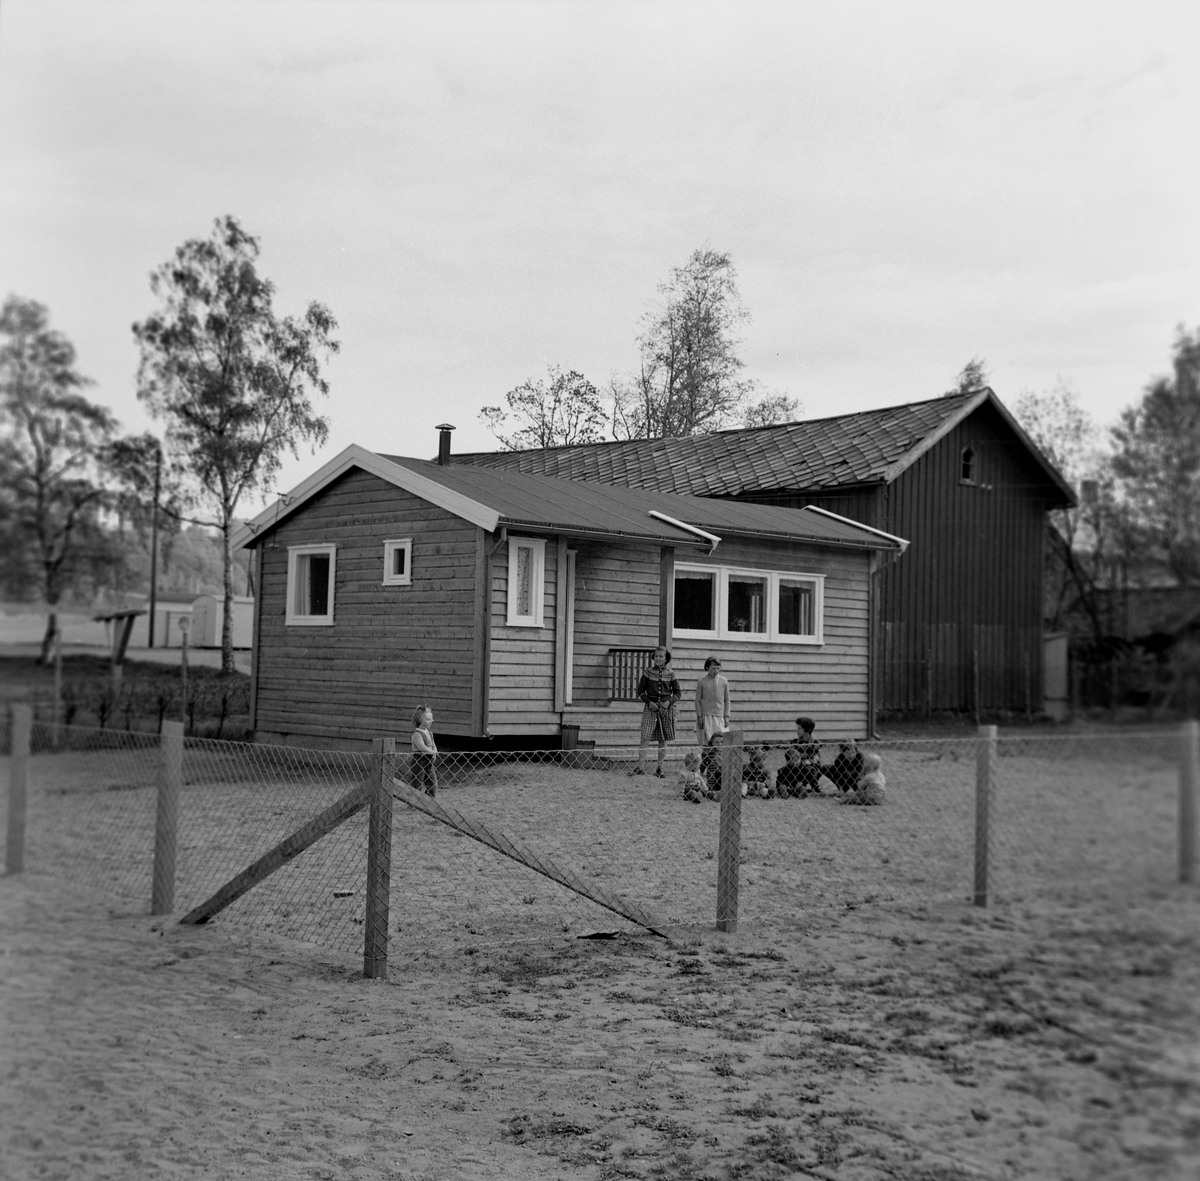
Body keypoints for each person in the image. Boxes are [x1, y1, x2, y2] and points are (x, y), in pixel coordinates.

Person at [630, 646, 681, 777]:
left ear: (666, 658)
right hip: (650, 708)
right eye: (656, 656)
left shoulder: (671, 674)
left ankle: (660, 768)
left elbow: (678, 693)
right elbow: (640, 691)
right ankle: (640, 767)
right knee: (645, 736)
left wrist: (668, 702)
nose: (658, 658)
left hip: (665, 709)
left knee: (663, 739)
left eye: (661, 656)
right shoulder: (648, 673)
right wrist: (649, 702)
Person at [695, 656, 730, 745]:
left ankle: (720, 759)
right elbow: (698, 701)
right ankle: (708, 758)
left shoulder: (724, 681)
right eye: (713, 668)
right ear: (707, 668)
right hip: (706, 717)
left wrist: (726, 716)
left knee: (721, 740)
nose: (716, 671)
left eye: (718, 668)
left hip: (720, 717)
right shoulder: (702, 682)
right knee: (708, 741)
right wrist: (699, 717)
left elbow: (727, 700)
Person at [790, 716, 823, 795]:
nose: (797, 730)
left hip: (811, 767)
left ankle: (814, 785)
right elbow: (792, 756)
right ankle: (798, 786)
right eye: (797, 728)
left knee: (810, 768)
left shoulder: (816, 743)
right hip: (798, 766)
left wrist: (804, 761)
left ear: (807, 730)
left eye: (799, 728)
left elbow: (815, 758)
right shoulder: (794, 742)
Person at [411, 704, 438, 797]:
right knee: (417, 783)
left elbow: (433, 746)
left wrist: (434, 753)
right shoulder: (417, 734)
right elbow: (422, 747)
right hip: (419, 761)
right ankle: (414, 802)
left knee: (432, 784)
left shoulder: (430, 733)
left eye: (431, 719)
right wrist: (431, 752)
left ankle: (428, 801)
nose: (430, 721)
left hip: (429, 762)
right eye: (427, 719)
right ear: (419, 719)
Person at [700, 731, 725, 799]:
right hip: (713, 778)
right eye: (716, 742)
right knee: (710, 789)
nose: (719, 744)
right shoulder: (709, 753)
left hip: (724, 776)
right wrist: (699, 772)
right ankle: (711, 793)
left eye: (722, 742)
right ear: (712, 743)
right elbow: (703, 764)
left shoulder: (727, 753)